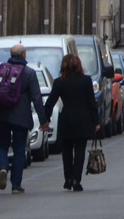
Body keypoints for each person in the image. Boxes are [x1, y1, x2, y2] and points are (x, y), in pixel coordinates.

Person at [0, 44, 47, 194]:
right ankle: (16, 185)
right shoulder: (29, 73)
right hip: (21, 117)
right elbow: (36, 98)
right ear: (23, 55)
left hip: (1, 114)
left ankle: (2, 167)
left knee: (2, 144)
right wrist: (43, 120)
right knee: (19, 149)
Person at [50, 51, 101, 191]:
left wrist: (45, 120)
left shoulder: (59, 82)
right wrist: (96, 122)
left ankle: (68, 178)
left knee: (66, 152)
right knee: (80, 152)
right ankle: (76, 180)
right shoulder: (85, 80)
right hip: (83, 120)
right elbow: (92, 103)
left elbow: (50, 102)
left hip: (66, 120)